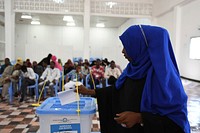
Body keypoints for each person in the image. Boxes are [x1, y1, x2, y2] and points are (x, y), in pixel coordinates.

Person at [77, 25, 190, 133]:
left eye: (127, 46)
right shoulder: (132, 69)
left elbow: (176, 122)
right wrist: (89, 91)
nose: (123, 51)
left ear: (140, 46)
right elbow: (117, 90)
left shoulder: (165, 80)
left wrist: (140, 118)